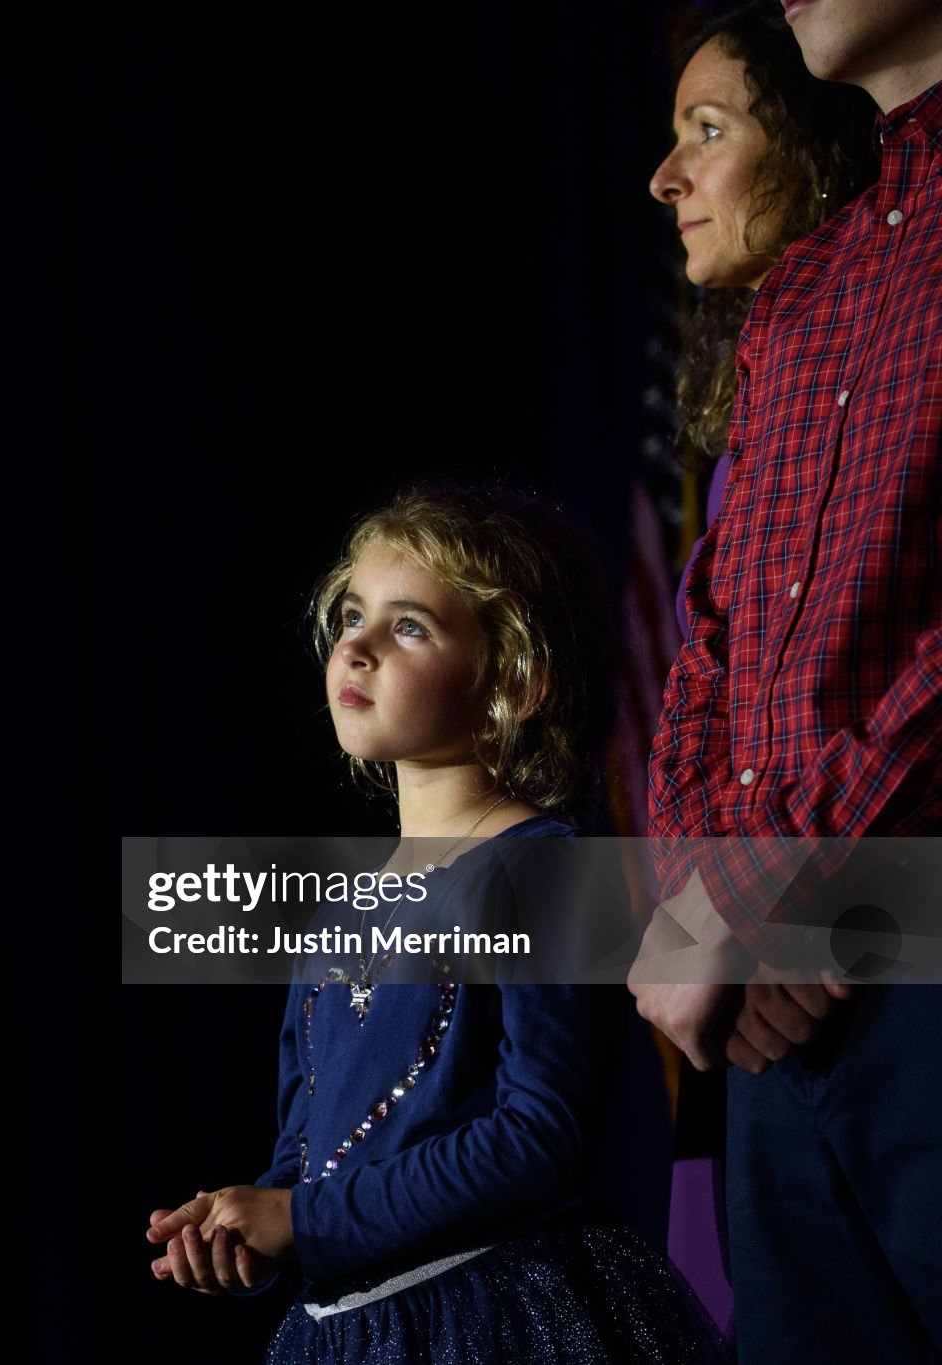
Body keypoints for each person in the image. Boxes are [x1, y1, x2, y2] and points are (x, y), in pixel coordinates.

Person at [146, 488, 716, 1362]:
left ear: (513, 680)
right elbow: (310, 1152)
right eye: (351, 614)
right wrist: (249, 1222)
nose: (358, 644)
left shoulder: (543, 870)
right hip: (349, 1333)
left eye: (408, 626)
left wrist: (301, 1216)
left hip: (496, 1322)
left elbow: (539, 1138)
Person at [635, 0, 942, 1358]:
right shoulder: (809, 294)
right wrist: (709, 905)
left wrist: (760, 899)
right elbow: (711, 644)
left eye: (708, 131)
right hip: (772, 1022)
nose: (666, 175)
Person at [650, 0, 877, 635]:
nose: (664, 180)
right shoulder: (758, 399)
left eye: (709, 131)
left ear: (810, 147)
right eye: (677, 139)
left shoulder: (882, 379)